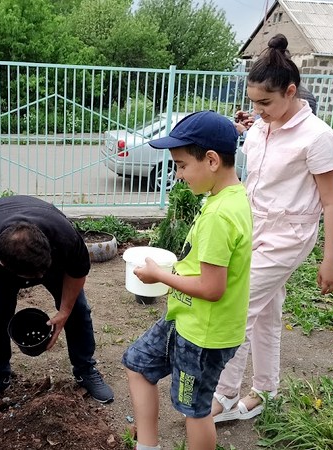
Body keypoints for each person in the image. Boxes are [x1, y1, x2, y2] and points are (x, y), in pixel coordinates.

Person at [212, 34, 333, 422]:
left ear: (291, 92)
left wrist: (330, 260)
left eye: (266, 102)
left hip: (289, 235)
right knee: (266, 311)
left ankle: (224, 394)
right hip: (254, 226)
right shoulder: (260, 127)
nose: (258, 110)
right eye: (254, 102)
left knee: (238, 305)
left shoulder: (318, 137)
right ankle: (266, 390)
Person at [122, 111, 252, 450]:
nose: (178, 175)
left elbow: (212, 288)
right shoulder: (231, 198)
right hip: (187, 320)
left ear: (211, 160)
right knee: (137, 363)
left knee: (194, 410)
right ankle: (147, 445)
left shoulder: (219, 215)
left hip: (204, 335)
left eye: (181, 165)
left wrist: (159, 275)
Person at [0, 195, 114, 405]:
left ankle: (86, 369)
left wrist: (64, 311)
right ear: (2, 263)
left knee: (78, 310)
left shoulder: (63, 235)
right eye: (33, 277)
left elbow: (77, 273)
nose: (38, 280)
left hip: (48, 260)